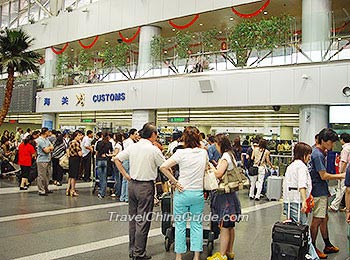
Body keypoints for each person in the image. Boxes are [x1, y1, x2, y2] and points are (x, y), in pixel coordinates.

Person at [115, 123, 165, 260]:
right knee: (143, 220)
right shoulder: (153, 149)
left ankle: (132, 250)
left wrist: (126, 175)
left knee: (133, 219)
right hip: (145, 187)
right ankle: (139, 253)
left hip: (132, 185)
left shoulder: (133, 147)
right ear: (153, 135)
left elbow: (117, 159)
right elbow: (164, 166)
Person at [160, 126, 207, 260]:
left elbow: (163, 167)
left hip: (182, 192)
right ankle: (196, 256)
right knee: (197, 225)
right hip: (197, 193)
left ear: (184, 139)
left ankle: (179, 256)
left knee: (180, 225)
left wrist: (175, 182)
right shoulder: (203, 153)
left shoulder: (180, 153)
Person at [309, 128, 345, 259]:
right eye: (330, 142)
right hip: (318, 191)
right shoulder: (317, 155)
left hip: (321, 190)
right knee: (317, 219)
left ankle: (327, 244)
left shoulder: (317, 151)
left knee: (324, 218)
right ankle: (311, 247)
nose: (332, 145)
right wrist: (342, 175)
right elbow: (323, 175)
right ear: (323, 141)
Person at [207, 133, 241, 260]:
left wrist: (211, 167)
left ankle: (221, 255)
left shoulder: (225, 156)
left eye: (216, 144)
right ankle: (229, 252)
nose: (215, 146)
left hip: (224, 196)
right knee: (230, 225)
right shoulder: (231, 155)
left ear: (219, 144)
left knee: (224, 226)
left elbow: (219, 174)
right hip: (231, 196)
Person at [282, 142, 318, 259]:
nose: (309, 157)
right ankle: (312, 256)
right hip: (297, 202)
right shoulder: (301, 167)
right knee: (303, 231)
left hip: (289, 201)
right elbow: (302, 185)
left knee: (294, 230)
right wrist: (304, 200)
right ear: (303, 154)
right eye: (308, 154)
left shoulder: (291, 166)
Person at [329, 133, 350, 212]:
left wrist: (340, 172)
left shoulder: (345, 149)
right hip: (348, 171)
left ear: (342, 140)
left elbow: (344, 162)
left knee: (341, 190)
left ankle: (334, 206)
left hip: (344, 173)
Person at [120, 128, 139, 202]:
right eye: (135, 134)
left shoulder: (126, 141)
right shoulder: (131, 143)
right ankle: (127, 197)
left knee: (125, 179)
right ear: (131, 134)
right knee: (128, 179)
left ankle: (123, 196)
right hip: (128, 161)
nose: (136, 135)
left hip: (125, 161)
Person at [36, 127, 54, 196]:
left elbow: (52, 146)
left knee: (48, 175)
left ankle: (46, 188)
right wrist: (49, 148)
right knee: (41, 176)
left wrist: (49, 148)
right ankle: (41, 190)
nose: (49, 133)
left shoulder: (47, 139)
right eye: (48, 131)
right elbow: (46, 150)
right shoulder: (40, 140)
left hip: (48, 159)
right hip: (42, 160)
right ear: (45, 132)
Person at [95, 133, 113, 199]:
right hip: (106, 161)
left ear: (102, 136)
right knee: (104, 178)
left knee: (100, 177)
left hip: (99, 160)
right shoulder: (109, 143)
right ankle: (103, 192)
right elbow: (111, 152)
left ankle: (101, 192)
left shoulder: (98, 143)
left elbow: (96, 152)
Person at [67, 130, 83, 197]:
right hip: (75, 160)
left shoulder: (70, 142)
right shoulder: (76, 143)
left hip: (71, 159)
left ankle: (68, 189)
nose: (80, 137)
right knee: (74, 176)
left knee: (71, 176)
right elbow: (80, 154)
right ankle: (72, 190)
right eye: (79, 135)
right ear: (75, 136)